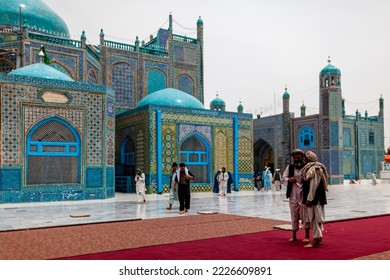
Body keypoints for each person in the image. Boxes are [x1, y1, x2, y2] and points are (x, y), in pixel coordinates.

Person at [282, 149, 310, 243]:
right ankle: (294, 236)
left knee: (305, 217)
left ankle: (306, 236)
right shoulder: (290, 168)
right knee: (294, 217)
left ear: (302, 158)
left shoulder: (306, 168)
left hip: (303, 196)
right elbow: (283, 178)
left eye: (299, 157)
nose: (297, 159)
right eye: (295, 157)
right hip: (293, 196)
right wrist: (290, 180)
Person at [301, 151, 328, 248]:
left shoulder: (314, 169)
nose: (303, 161)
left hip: (314, 199)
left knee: (314, 219)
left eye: (305, 159)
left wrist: (309, 199)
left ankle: (316, 239)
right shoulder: (316, 167)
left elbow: (314, 185)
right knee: (317, 218)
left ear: (308, 159)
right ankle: (319, 238)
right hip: (318, 198)